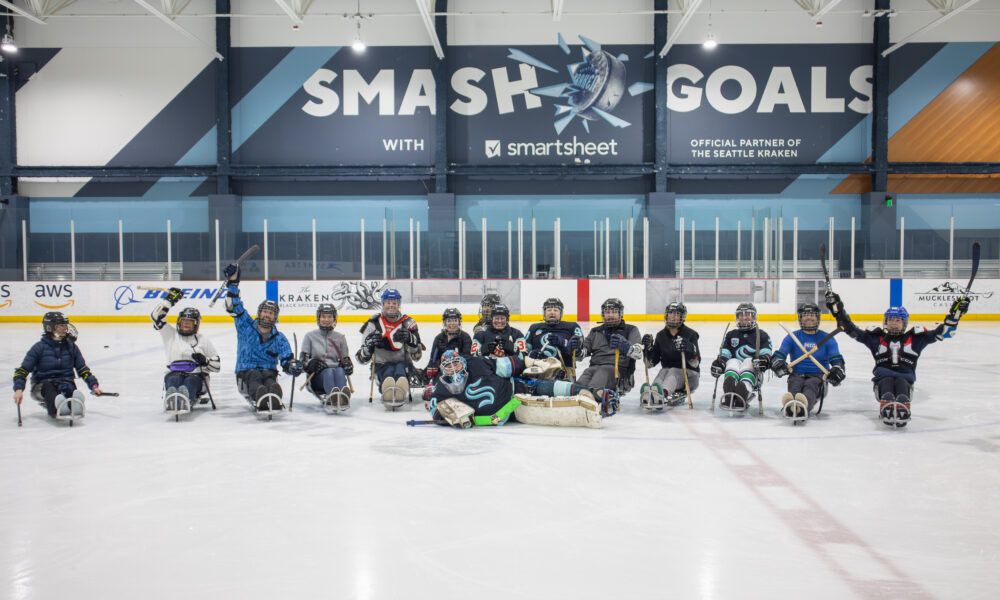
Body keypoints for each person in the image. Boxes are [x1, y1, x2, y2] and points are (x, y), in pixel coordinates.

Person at [825, 291, 969, 427]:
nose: (893, 323)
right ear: (885, 322)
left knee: (901, 385)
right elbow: (850, 329)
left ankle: (903, 404)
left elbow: (943, 332)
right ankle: (886, 403)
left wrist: (955, 315)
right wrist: (837, 309)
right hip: (883, 379)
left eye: (897, 320)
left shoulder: (917, 338)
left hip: (905, 379)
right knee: (887, 384)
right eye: (890, 320)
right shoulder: (875, 338)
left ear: (904, 323)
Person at [424, 350, 618, 429]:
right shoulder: (441, 388)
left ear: (464, 363)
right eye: (449, 366)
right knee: (545, 409)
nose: (454, 369)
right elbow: (435, 409)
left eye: (456, 364)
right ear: (443, 370)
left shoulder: (477, 363)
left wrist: (533, 362)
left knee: (547, 387)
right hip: (512, 411)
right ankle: (585, 411)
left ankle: (593, 393)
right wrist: (448, 418)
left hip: (517, 389)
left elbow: (508, 364)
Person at [224, 263, 302, 414]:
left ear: (275, 317)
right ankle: (260, 395)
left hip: (268, 371)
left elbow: (286, 359)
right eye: (265, 311)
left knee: (270, 381)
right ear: (259, 313)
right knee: (255, 377)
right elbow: (234, 305)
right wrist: (233, 283)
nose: (267, 315)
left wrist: (292, 366)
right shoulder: (245, 325)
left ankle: (273, 395)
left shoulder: (279, 338)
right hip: (246, 371)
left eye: (271, 313)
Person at [13, 312, 104, 422]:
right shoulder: (38, 348)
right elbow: (22, 370)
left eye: (65, 325)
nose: (65, 328)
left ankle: (73, 403)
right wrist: (18, 389)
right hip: (43, 385)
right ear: (50, 327)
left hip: (65, 381)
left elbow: (82, 369)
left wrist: (94, 385)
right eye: (61, 326)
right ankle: (57, 407)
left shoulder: (71, 347)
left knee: (69, 388)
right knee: (50, 389)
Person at [770, 302, 845, 421]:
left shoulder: (828, 339)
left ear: (818, 317)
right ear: (800, 318)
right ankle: (791, 404)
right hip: (796, 375)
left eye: (812, 314)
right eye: (805, 315)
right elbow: (779, 356)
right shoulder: (792, 337)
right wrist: (778, 363)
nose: (809, 317)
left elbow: (837, 361)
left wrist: (837, 370)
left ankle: (802, 407)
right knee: (795, 385)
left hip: (818, 377)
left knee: (811, 385)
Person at [150, 288, 221, 412]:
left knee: (190, 381)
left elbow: (217, 365)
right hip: (174, 372)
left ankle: (185, 397)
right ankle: (172, 397)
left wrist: (205, 362)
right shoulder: (170, 334)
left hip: (196, 374)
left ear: (196, 324)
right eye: (183, 321)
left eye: (190, 321)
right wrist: (168, 301)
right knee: (173, 379)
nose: (186, 324)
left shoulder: (202, 339)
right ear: (179, 322)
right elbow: (156, 317)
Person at [357, 288, 422, 407]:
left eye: (394, 303)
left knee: (400, 370)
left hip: (403, 363)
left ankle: (400, 388)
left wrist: (411, 339)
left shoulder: (408, 323)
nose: (391, 305)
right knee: (388, 372)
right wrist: (369, 346)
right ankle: (387, 387)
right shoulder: (373, 323)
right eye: (388, 302)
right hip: (381, 364)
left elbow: (417, 356)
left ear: (399, 305)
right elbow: (361, 358)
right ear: (382, 304)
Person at [710, 303, 772, 412]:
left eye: (748, 314)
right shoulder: (731, 335)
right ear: (737, 317)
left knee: (748, 361)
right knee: (733, 361)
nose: (744, 317)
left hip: (754, 373)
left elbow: (767, 354)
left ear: (754, 317)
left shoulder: (762, 335)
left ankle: (744, 391)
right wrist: (720, 362)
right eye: (741, 315)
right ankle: (730, 390)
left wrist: (763, 360)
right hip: (735, 369)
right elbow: (725, 354)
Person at [576, 298, 642, 394]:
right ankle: (577, 395)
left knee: (603, 372)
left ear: (620, 314)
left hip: (618, 371)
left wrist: (627, 348)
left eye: (614, 312)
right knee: (586, 375)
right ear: (603, 314)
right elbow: (582, 354)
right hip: (594, 368)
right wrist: (577, 350)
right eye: (607, 312)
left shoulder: (631, 330)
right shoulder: (595, 331)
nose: (610, 315)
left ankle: (589, 394)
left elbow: (639, 354)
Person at [640, 302, 700, 408]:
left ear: (682, 317)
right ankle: (654, 391)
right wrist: (648, 349)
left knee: (673, 371)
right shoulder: (661, 336)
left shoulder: (690, 334)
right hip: (668, 373)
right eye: (670, 313)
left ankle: (663, 392)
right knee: (664, 371)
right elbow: (650, 364)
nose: (672, 316)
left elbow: (695, 363)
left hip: (689, 376)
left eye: (676, 314)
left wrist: (688, 348)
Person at [300, 303, 353, 412]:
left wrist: (348, 365)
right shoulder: (309, 336)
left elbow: (345, 358)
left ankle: (342, 397)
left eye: (329, 316)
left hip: (336, 373)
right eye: (323, 316)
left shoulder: (340, 338)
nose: (326, 319)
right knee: (328, 372)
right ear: (318, 318)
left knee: (339, 371)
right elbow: (302, 362)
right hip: (317, 378)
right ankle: (332, 398)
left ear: (334, 318)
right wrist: (311, 363)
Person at [525, 297, 584, 379]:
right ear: (544, 313)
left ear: (561, 313)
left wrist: (563, 343)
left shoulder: (572, 327)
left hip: (563, 372)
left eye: (556, 310)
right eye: (549, 310)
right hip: (538, 370)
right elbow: (523, 353)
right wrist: (531, 355)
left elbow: (580, 355)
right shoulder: (534, 328)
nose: (552, 312)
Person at [424, 308, 472, 385]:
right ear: (445, 323)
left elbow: (467, 357)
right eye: (449, 321)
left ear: (459, 322)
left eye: (455, 320)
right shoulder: (439, 338)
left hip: (460, 371)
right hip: (442, 371)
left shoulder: (465, 337)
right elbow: (433, 359)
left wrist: (448, 352)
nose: (452, 323)